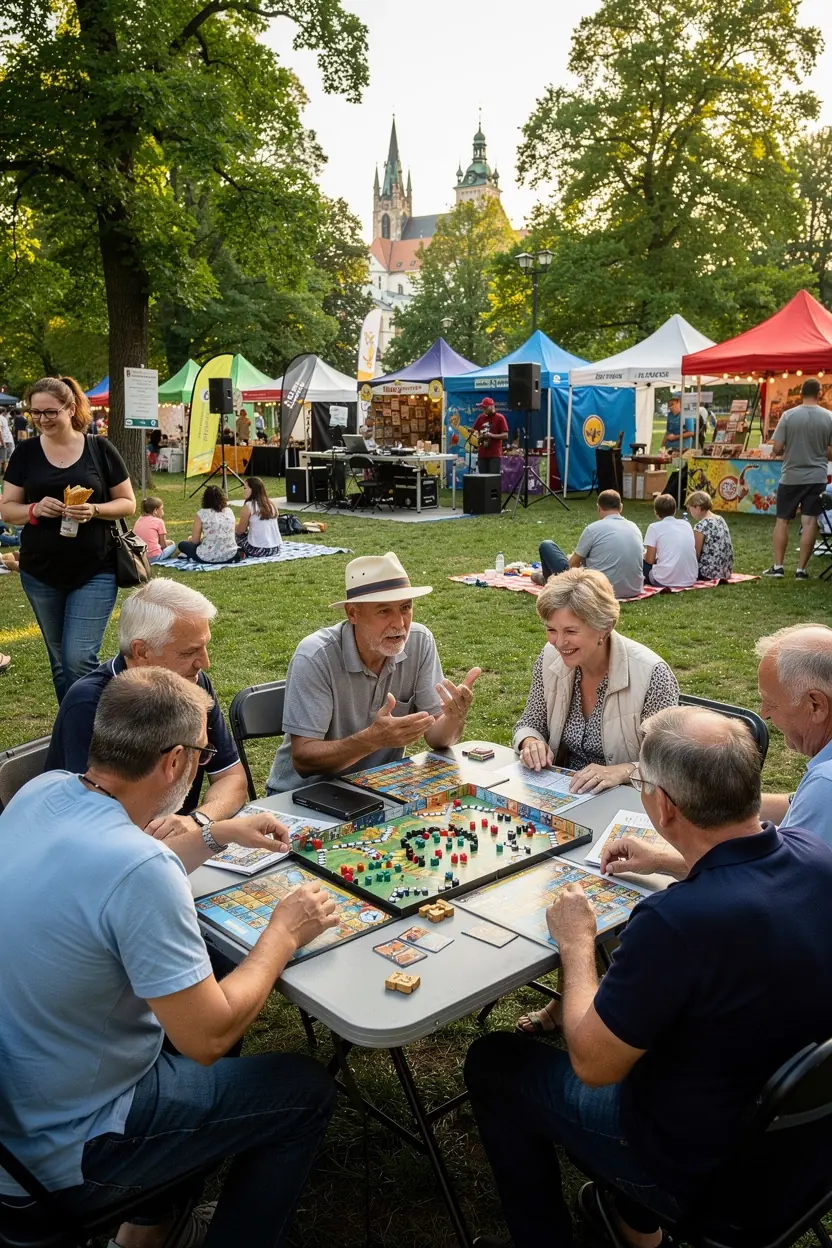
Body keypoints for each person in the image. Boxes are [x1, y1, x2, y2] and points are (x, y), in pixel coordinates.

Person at [466, 706, 832, 1248]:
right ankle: (634, 1228)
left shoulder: (676, 923)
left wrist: (577, 944)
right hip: (808, 1156)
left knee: (494, 1062)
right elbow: (747, 877)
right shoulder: (817, 856)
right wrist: (668, 859)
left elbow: (593, 1064)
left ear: (663, 804)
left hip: (706, 1180)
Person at [0, 666, 338, 1248]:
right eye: (204, 754)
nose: (203, 763)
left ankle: (153, 1228)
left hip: (19, 1105)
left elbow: (106, 878)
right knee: (305, 1092)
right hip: (59, 1158)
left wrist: (216, 834)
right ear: (176, 761)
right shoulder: (141, 869)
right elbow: (207, 1038)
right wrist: (283, 934)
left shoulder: (42, 791)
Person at [512, 567, 678, 1034]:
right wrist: (530, 741)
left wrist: (621, 770)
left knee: (594, 887)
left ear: (603, 627)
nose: (558, 642)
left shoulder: (651, 673)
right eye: (551, 630)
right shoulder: (549, 660)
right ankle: (575, 989)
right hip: (567, 800)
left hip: (632, 807)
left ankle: (592, 997)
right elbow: (529, 721)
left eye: (570, 631)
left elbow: (669, 765)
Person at [266, 551, 481, 793]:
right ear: (352, 613)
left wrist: (454, 718)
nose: (400, 623)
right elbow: (304, 760)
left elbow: (437, 738)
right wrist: (372, 739)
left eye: (405, 607)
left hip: (379, 788)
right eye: (384, 611)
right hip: (303, 795)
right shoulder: (315, 656)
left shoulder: (420, 642)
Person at [45, 578, 246, 835]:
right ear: (141, 652)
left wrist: (198, 820)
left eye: (205, 646)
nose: (204, 663)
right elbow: (92, 819)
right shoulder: (89, 703)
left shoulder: (191, 683)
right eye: (188, 652)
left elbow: (232, 777)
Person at [0, 376, 136, 704]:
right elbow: (7, 509)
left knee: (78, 658)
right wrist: (34, 508)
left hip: (96, 568)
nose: (42, 419)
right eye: (35, 413)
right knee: (60, 661)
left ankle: (94, 724)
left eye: (51, 412)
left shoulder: (99, 448)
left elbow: (128, 503)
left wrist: (95, 509)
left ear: (71, 408)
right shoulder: (26, 453)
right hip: (40, 570)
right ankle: (73, 724)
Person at [756, 624, 832, 843]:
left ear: (816, 705)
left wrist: (665, 855)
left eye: (771, 703)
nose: (764, 714)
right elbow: (800, 803)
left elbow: (781, 866)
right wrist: (715, 806)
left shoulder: (826, 783)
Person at [764, 377, 832, 579]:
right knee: (810, 522)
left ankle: (778, 567)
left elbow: (777, 448)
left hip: (791, 476)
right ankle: (801, 570)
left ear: (801, 393)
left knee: (782, 521)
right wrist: (818, 451)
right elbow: (831, 453)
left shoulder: (788, 415)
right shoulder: (829, 417)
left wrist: (784, 449)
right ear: (819, 394)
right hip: (817, 476)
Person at [534, 490, 644, 599]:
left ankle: (549, 581)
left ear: (599, 508)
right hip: (634, 589)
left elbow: (573, 565)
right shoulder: (634, 527)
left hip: (599, 591)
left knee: (546, 545)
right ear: (621, 507)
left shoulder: (593, 529)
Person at [643, 493, 698, 588]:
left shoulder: (654, 527)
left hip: (663, 580)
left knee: (640, 563)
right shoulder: (686, 524)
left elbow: (650, 560)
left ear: (656, 513)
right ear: (675, 511)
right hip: (690, 579)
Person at [178, 484, 242, 563]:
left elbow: (195, 541)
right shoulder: (229, 511)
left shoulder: (202, 514)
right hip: (230, 554)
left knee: (182, 544)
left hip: (207, 556)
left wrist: (191, 539)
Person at [686, 489, 734, 581]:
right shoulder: (720, 519)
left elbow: (695, 555)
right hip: (726, 570)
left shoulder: (700, 526)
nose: (690, 512)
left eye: (690, 508)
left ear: (697, 508)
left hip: (709, 573)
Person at [235, 476, 282, 557]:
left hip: (257, 549)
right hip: (275, 548)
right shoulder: (271, 503)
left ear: (253, 490)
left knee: (234, 535)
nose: (243, 491)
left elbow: (240, 531)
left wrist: (232, 526)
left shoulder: (249, 505)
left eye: (245, 488)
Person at [134, 495, 176, 563]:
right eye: (161, 509)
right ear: (155, 510)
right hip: (153, 557)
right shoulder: (159, 522)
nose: (163, 511)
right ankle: (159, 556)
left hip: (140, 556)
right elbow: (163, 545)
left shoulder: (139, 520)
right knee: (172, 544)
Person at [472, 397, 509, 475]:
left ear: (492, 406)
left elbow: (505, 435)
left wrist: (491, 435)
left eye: (485, 407)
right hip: (482, 454)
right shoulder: (480, 418)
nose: (484, 409)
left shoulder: (499, 418)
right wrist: (477, 436)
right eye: (483, 408)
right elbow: (474, 431)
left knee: (493, 478)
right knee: (482, 478)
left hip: (494, 455)